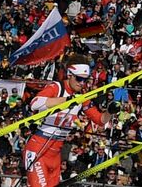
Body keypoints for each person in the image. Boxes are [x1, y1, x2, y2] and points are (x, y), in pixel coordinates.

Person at [22, 58, 108, 187]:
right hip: (38, 149)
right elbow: (35, 103)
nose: (82, 83)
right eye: (79, 79)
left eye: (85, 80)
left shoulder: (81, 96)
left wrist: (111, 112)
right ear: (70, 75)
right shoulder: (57, 87)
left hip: (56, 153)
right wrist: (67, 100)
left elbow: (100, 120)